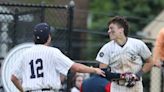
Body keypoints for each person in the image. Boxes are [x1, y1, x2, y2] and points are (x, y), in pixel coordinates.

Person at [10, 23, 105, 92]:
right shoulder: (53, 52)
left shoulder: (25, 54)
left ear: (34, 38)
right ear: (49, 37)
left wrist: (22, 90)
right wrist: (94, 70)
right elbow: (76, 67)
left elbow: (14, 78)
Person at [96, 16, 154, 92]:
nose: (108, 31)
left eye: (111, 28)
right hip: (117, 87)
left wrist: (137, 75)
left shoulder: (138, 44)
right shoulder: (106, 48)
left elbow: (150, 62)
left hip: (136, 86)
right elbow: (102, 72)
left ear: (121, 30)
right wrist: (121, 76)